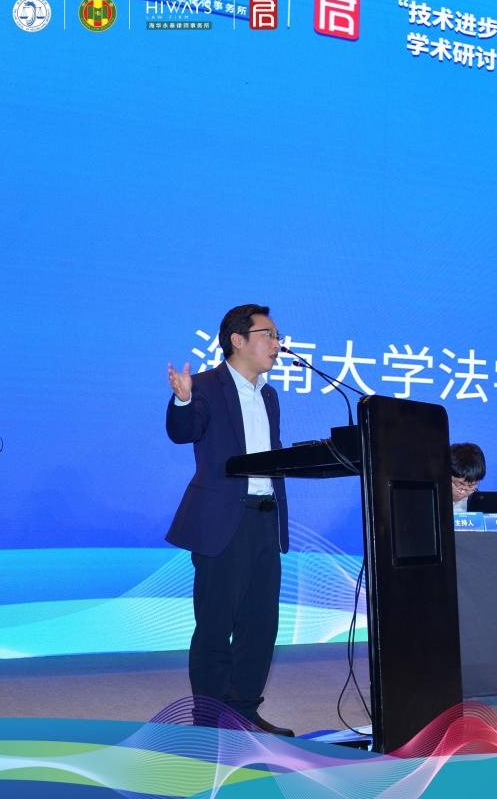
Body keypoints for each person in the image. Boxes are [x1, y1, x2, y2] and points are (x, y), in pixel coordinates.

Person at [165, 304, 293, 736]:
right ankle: (209, 722)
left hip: (265, 519)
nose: (277, 344)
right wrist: (183, 399)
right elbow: (183, 431)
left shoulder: (269, 395)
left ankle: (244, 713)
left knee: (261, 624)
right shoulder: (203, 385)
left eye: (277, 336)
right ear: (237, 340)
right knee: (216, 626)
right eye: (268, 335)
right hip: (223, 522)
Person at [449, 443, 486, 512]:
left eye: (471, 486)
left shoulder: (480, 502)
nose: (463, 491)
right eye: (460, 484)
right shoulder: (433, 500)